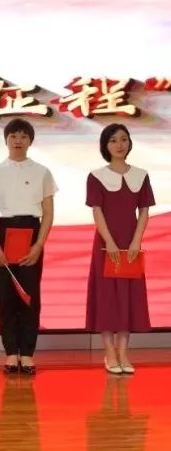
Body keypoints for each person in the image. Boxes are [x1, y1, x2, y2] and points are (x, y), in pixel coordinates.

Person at [0, 119, 57, 374]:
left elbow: (48, 213)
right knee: (5, 297)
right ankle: (10, 353)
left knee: (29, 296)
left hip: (30, 232)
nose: (18, 141)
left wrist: (39, 244)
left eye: (23, 136)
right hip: (1, 232)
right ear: (6, 140)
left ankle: (26, 353)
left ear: (30, 141)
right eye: (13, 136)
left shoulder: (42, 172)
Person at [85, 123, 154, 375]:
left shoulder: (141, 175)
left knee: (128, 296)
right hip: (106, 244)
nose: (119, 144)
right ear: (105, 146)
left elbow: (144, 211)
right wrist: (110, 242)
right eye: (113, 140)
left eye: (123, 139)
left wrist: (136, 241)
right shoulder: (96, 176)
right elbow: (97, 211)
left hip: (131, 243)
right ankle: (109, 353)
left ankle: (123, 353)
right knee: (106, 296)